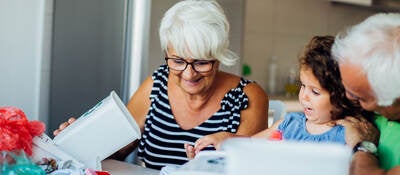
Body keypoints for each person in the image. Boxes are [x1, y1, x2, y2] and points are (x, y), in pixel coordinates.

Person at [53, 0, 268, 170]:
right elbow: (116, 149)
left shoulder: (248, 96)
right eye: (178, 61)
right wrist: (82, 140)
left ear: (218, 57)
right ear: (167, 54)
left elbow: (250, 166)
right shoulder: (156, 85)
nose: (189, 73)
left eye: (201, 62)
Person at [251, 36, 374, 144]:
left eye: (315, 92)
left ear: (341, 97)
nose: (304, 96)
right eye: (303, 85)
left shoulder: (348, 134)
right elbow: (248, 145)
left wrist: (359, 139)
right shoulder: (288, 124)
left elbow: (361, 161)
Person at [331, 13, 400, 174]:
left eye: (360, 97)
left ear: (394, 99)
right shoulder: (380, 115)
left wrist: (364, 147)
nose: (348, 97)